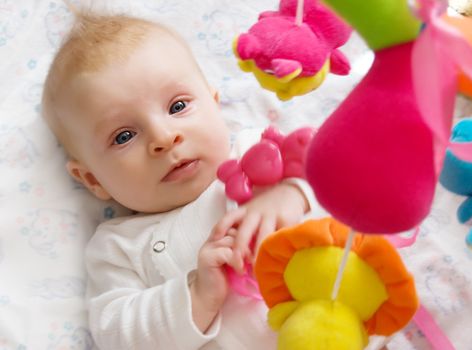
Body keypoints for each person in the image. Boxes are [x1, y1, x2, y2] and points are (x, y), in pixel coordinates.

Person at [41, 9, 319, 350]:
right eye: (124, 135)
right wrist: (197, 294)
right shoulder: (119, 248)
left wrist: (293, 193)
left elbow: (358, 172)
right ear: (91, 179)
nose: (164, 137)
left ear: (214, 104)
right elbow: (117, 337)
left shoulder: (261, 151)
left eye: (177, 107)